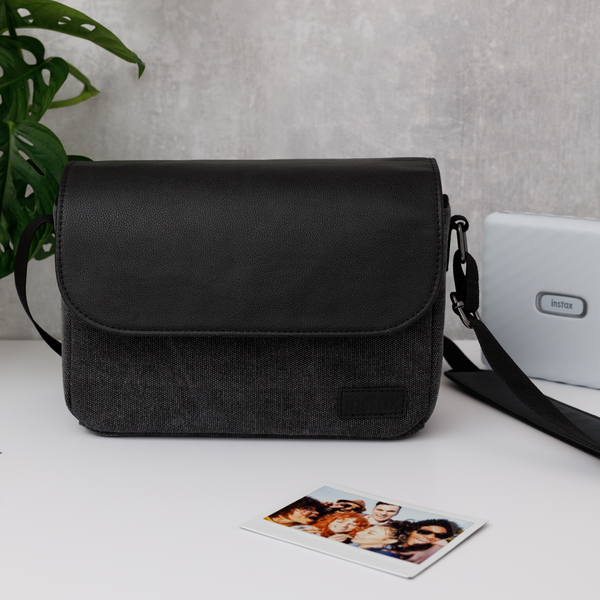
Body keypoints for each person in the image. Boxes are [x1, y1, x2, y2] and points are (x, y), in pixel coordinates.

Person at [391, 519, 459, 564]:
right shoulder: (388, 545)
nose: (430, 537)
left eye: (439, 536)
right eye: (425, 532)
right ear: (410, 531)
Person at [305, 512, 370, 543]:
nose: (343, 525)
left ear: (357, 529)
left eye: (352, 525)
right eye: (339, 521)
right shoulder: (309, 530)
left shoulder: (349, 539)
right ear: (330, 521)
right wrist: (328, 542)